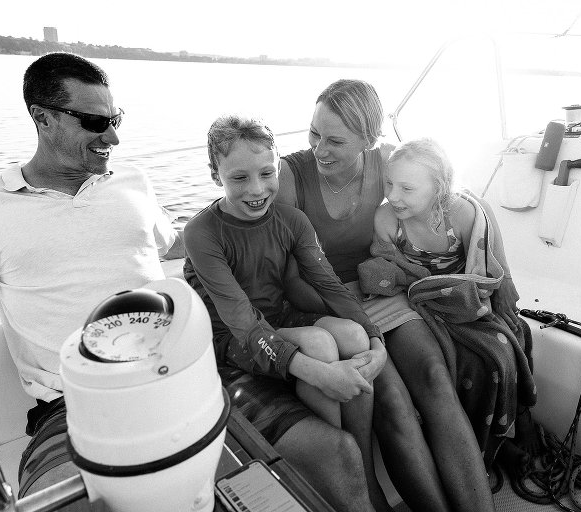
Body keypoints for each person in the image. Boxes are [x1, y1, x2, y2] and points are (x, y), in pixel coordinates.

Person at [0, 52, 182, 509]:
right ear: (42, 118)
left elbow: (173, 247)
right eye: (94, 121)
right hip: (72, 402)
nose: (113, 136)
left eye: (114, 118)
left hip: (177, 373)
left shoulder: (134, 181)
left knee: (325, 449)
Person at [277, 79, 497, 511]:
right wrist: (361, 323)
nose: (320, 149)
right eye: (314, 132)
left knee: (434, 374)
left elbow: (448, 194)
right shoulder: (291, 174)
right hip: (322, 302)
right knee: (393, 401)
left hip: (381, 290)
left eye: (336, 140)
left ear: (369, 140)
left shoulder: (386, 164)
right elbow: (290, 280)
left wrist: (494, 268)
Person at [183, 114, 392, 512]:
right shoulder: (202, 233)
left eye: (266, 172)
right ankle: (336, 467)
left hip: (279, 319)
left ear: (278, 166)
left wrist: (377, 342)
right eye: (239, 178)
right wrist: (323, 374)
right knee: (318, 343)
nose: (257, 190)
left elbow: (329, 285)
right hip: (232, 341)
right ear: (216, 176)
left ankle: (359, 463)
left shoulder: (293, 221)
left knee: (353, 336)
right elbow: (242, 321)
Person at [367, 138, 537, 469]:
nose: (394, 195)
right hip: (421, 305)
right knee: (470, 361)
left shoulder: (459, 213)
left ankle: (518, 422)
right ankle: (482, 447)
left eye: (407, 188)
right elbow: (387, 270)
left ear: (438, 189)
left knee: (515, 336)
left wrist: (504, 283)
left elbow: (487, 255)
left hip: (468, 300)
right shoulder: (387, 220)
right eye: (389, 184)